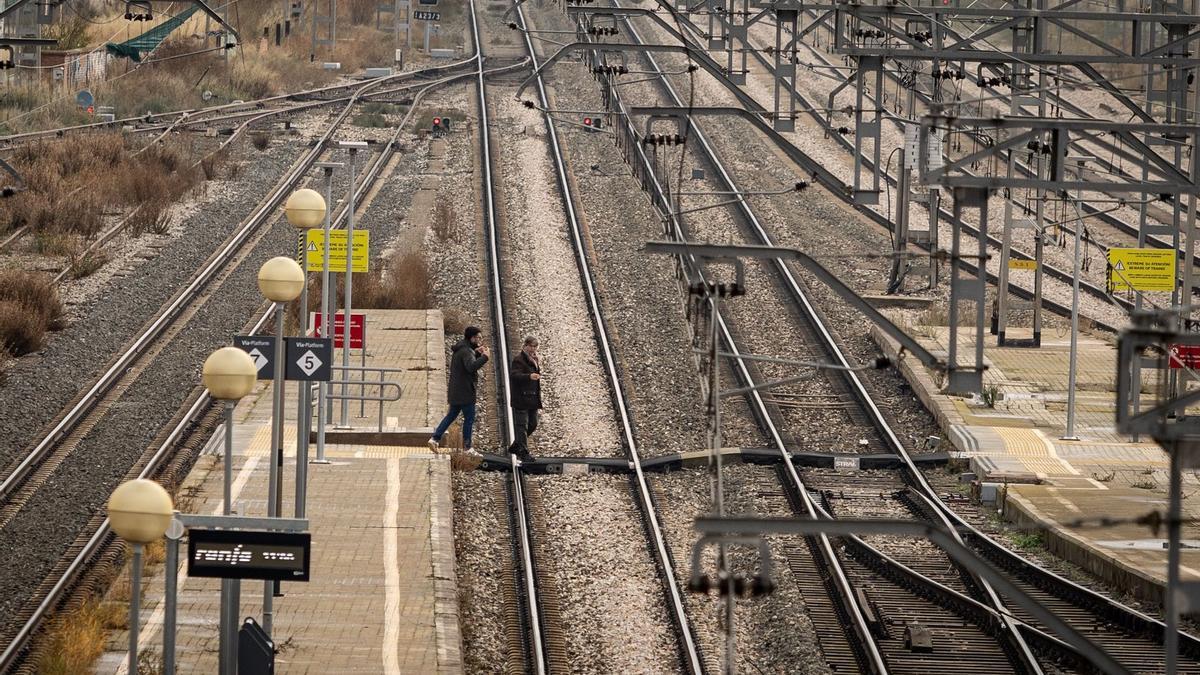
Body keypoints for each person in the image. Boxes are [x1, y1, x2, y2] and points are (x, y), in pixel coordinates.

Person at [429, 326, 489, 455]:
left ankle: (435, 439)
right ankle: (467, 447)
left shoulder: (462, 348)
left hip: (456, 390)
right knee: (469, 418)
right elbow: (471, 367)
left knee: (451, 415)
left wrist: (477, 353)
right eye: (478, 337)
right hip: (465, 391)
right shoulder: (466, 351)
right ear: (472, 338)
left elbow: (466, 362)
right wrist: (484, 357)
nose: (479, 340)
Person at [508, 336, 542, 460]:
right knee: (522, 426)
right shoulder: (519, 360)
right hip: (521, 398)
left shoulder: (534, 359)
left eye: (535, 346)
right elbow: (514, 375)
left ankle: (517, 445)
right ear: (525, 345)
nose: (533, 349)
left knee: (533, 423)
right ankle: (523, 452)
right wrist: (529, 376)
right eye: (531, 346)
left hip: (532, 398)